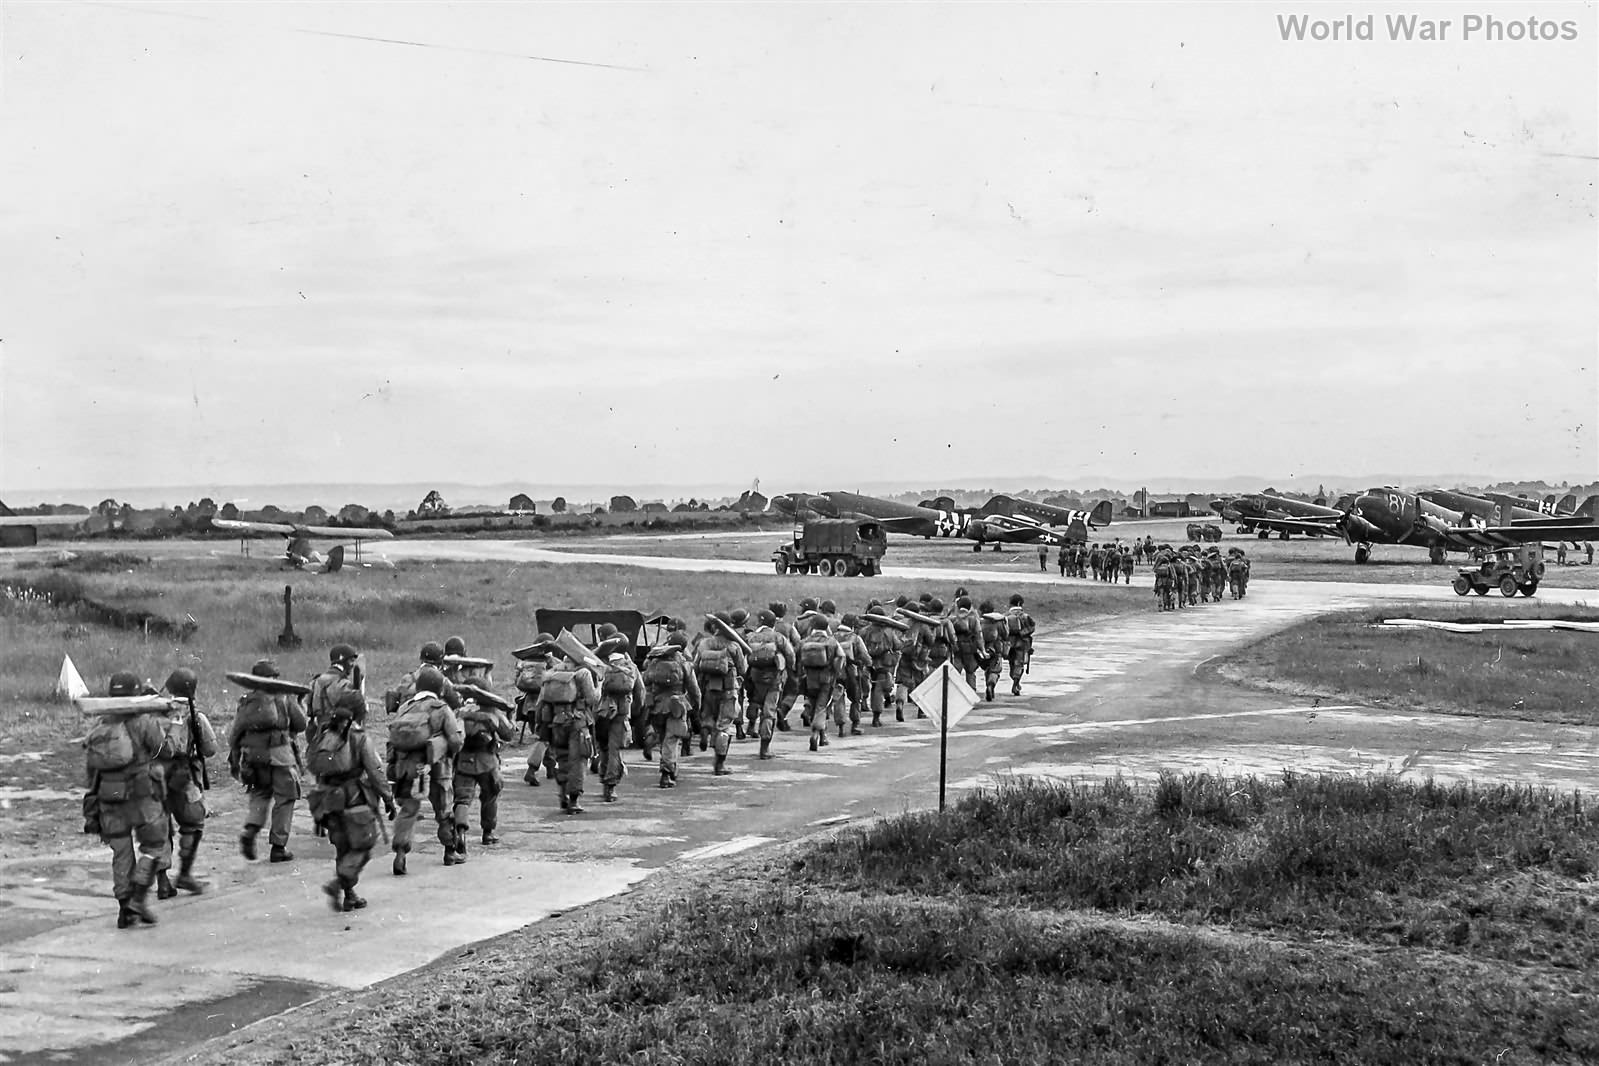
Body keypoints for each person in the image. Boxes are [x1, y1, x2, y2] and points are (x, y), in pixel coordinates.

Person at [84, 672, 172, 928]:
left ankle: (124, 909)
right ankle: (138, 898)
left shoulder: (101, 723)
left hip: (109, 796)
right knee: (155, 846)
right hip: (142, 796)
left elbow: (92, 770)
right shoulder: (144, 721)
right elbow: (163, 750)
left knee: (121, 852)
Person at [306, 690, 395, 912]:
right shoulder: (359, 737)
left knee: (342, 847)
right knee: (363, 845)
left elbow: (314, 766)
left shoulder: (322, 734)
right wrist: (388, 797)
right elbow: (375, 771)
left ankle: (349, 895)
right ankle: (339, 883)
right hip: (355, 799)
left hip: (327, 800)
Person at [228, 659, 307, 864]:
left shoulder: (247, 700)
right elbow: (301, 724)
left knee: (260, 793)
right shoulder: (283, 697)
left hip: (254, 756)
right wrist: (298, 702)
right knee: (286, 798)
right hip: (280, 756)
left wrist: (235, 755)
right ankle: (278, 847)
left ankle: (251, 829)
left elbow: (236, 731)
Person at [386, 666, 462, 871]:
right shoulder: (441, 708)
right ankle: (449, 851)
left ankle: (400, 855)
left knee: (408, 810)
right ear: (439, 688)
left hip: (408, 767)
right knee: (444, 810)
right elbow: (454, 741)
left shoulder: (405, 707)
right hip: (438, 768)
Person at [154, 668, 217, 898]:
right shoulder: (194, 716)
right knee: (194, 822)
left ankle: (162, 881)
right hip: (183, 779)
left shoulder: (152, 712)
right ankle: (185, 874)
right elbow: (210, 749)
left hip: (153, 778)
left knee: (160, 828)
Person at [450, 684, 516, 853]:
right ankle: (488, 832)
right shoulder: (493, 712)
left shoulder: (460, 712)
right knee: (490, 796)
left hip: (464, 761)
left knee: (462, 799)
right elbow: (508, 735)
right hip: (488, 762)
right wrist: (511, 717)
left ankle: (460, 832)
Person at [537, 650, 600, 813]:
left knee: (563, 759)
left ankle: (562, 794)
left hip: (557, 722)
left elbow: (542, 702)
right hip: (578, 722)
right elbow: (592, 699)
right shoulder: (583, 673)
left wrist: (541, 725)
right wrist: (599, 686)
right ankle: (574, 800)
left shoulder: (551, 674)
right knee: (578, 761)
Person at [642, 632, 700, 789]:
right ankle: (666, 774)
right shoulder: (684, 663)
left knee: (663, 739)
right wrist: (696, 706)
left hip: (657, 706)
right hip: (677, 706)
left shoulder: (653, 662)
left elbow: (645, 680)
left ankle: (653, 743)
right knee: (671, 740)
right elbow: (694, 689)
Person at [694, 614, 749, 776]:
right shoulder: (734, 646)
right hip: (729, 690)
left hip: (709, 687)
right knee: (725, 726)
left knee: (709, 716)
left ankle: (705, 730)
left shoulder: (703, 643)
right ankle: (719, 764)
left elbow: (696, 666)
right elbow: (743, 669)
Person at [592, 635, 644, 801]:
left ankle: (603, 777)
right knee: (615, 750)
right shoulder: (631, 667)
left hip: (600, 713)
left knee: (603, 748)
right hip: (621, 714)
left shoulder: (599, 665)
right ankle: (610, 786)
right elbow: (640, 693)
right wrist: (634, 712)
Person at [744, 610, 794, 759]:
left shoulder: (750, 637)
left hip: (755, 677)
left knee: (754, 701)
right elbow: (790, 655)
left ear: (760, 621)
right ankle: (764, 749)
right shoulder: (778, 637)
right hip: (773, 679)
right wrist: (790, 670)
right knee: (769, 712)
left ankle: (751, 723)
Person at [514, 634, 560, 786]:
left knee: (547, 737)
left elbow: (517, 681)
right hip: (546, 707)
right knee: (545, 739)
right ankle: (532, 770)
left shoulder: (525, 662)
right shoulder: (553, 663)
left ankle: (550, 768)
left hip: (529, 707)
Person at [797, 621, 843, 752]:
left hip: (809, 679)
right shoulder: (832, 642)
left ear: (811, 627)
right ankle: (815, 733)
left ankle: (823, 736)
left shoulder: (804, 641)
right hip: (826, 679)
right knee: (822, 706)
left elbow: (796, 658)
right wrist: (836, 671)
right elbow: (841, 656)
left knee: (812, 704)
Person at [306, 644, 362, 745]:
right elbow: (357, 708)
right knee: (363, 745)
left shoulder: (315, 682)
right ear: (342, 661)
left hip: (318, 734)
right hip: (339, 732)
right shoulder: (342, 683)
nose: (352, 664)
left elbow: (309, 710)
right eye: (351, 661)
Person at [859, 607, 906, 727]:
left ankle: (863, 702)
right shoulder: (889, 632)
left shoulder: (864, 631)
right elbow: (898, 646)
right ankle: (876, 717)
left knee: (866, 685)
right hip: (883, 665)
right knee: (878, 690)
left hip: (867, 663)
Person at [948, 596, 988, 692]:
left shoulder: (952, 619)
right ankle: (971, 693)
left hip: (956, 649)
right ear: (970, 607)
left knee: (955, 671)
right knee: (970, 672)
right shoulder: (973, 619)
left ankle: (953, 692)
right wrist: (983, 650)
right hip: (970, 649)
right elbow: (979, 636)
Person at [977, 601, 1010, 702]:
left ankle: (987, 685)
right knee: (995, 670)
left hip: (981, 650)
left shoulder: (979, 621)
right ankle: (990, 685)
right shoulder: (998, 621)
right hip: (996, 649)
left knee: (986, 668)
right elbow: (1005, 635)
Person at [1003, 594, 1035, 696]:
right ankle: (1016, 683)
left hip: (1009, 644)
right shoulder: (1025, 616)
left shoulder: (1005, 616)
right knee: (1019, 664)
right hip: (1022, 644)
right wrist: (1023, 633)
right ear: (1021, 604)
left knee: (1011, 664)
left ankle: (1014, 680)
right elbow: (1032, 628)